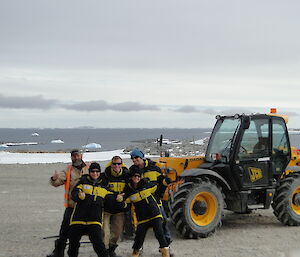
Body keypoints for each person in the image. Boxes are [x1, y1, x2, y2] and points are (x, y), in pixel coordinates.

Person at [68, 162, 124, 257]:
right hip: (78, 219)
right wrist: (78, 196)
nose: (95, 173)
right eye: (93, 171)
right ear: (89, 172)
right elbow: (74, 194)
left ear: (99, 172)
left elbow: (113, 197)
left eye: (97, 171)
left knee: (98, 244)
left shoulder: (104, 187)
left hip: (94, 220)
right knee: (73, 243)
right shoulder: (82, 182)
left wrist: (119, 198)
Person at [47, 149, 89, 257]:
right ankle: (58, 252)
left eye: (77, 155)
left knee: (94, 231)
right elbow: (57, 181)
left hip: (87, 206)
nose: (76, 158)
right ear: (71, 158)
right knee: (64, 230)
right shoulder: (68, 170)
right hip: (72, 206)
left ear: (81, 156)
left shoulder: (89, 168)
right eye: (73, 156)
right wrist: (54, 179)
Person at [129, 149, 173, 248]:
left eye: (136, 157)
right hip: (140, 203)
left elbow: (161, 182)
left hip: (155, 201)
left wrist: (165, 183)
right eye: (132, 158)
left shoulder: (154, 168)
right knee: (140, 227)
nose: (134, 160)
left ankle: (166, 245)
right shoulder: (132, 170)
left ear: (142, 157)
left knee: (163, 222)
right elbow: (130, 184)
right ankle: (139, 248)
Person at [123, 170, 170, 257]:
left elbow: (159, 189)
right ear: (131, 178)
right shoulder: (128, 191)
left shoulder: (147, 185)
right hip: (142, 218)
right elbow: (126, 206)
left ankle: (166, 253)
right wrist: (120, 201)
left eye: (138, 176)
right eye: (134, 176)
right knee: (139, 237)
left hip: (154, 214)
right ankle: (136, 252)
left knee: (159, 233)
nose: (136, 178)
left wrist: (164, 183)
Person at [101, 156, 129, 257]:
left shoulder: (127, 176)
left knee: (117, 233)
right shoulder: (105, 176)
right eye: (114, 164)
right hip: (106, 209)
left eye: (118, 164)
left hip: (119, 210)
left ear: (122, 164)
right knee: (105, 233)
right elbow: (101, 189)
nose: (116, 166)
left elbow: (130, 189)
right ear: (111, 164)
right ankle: (104, 251)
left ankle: (112, 249)